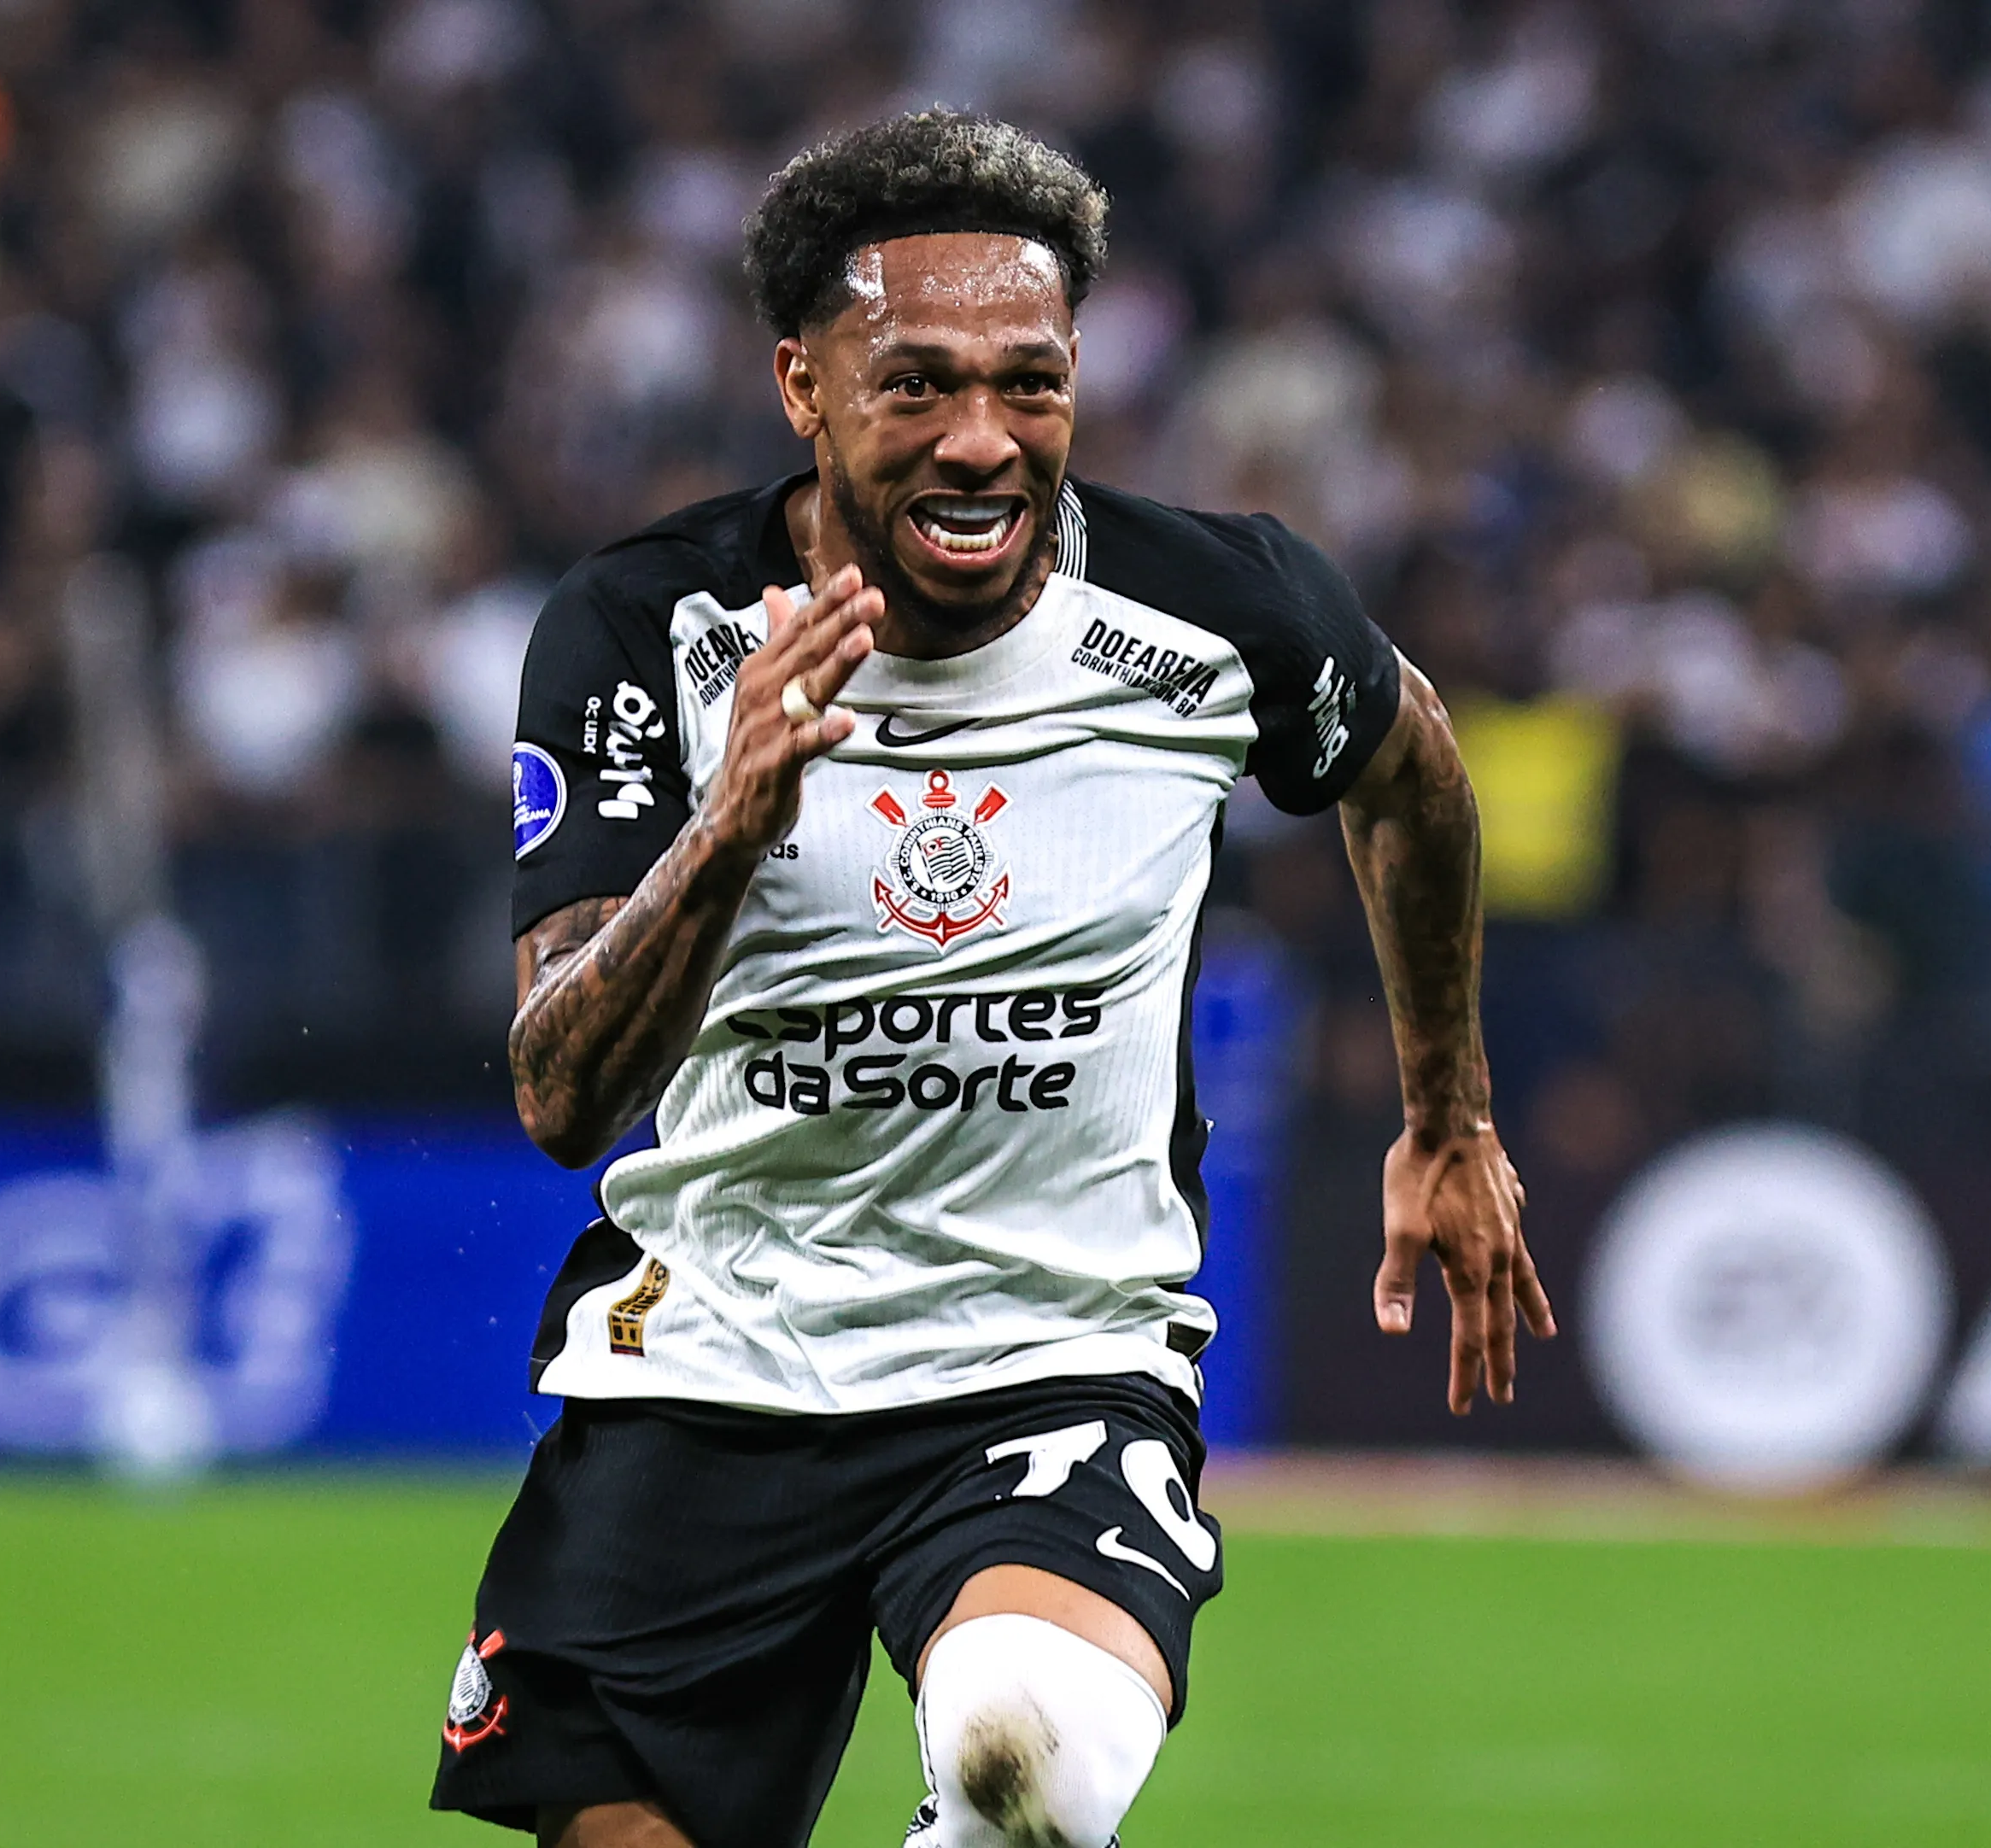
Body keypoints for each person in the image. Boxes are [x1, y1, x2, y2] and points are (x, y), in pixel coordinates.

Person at [434, 112, 1551, 1848]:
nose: (982, 442)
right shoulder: (647, 632)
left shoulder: (1220, 608)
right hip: (716, 1355)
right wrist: (730, 822)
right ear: (803, 383)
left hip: (1052, 1352)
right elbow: (562, 1090)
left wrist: (1448, 1116)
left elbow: (1413, 771)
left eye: (1030, 385)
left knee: (1027, 1758)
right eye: (918, 388)